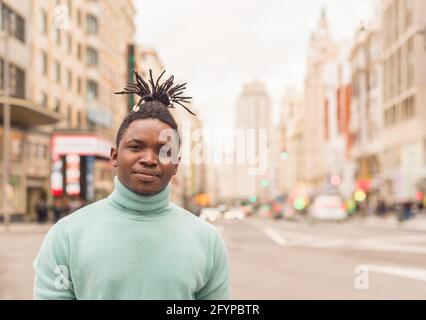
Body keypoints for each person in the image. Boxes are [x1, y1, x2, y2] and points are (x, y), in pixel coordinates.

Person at [33, 70, 231, 300]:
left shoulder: (207, 240)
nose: (149, 159)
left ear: (176, 164)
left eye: (164, 151)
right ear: (114, 156)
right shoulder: (66, 236)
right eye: (136, 147)